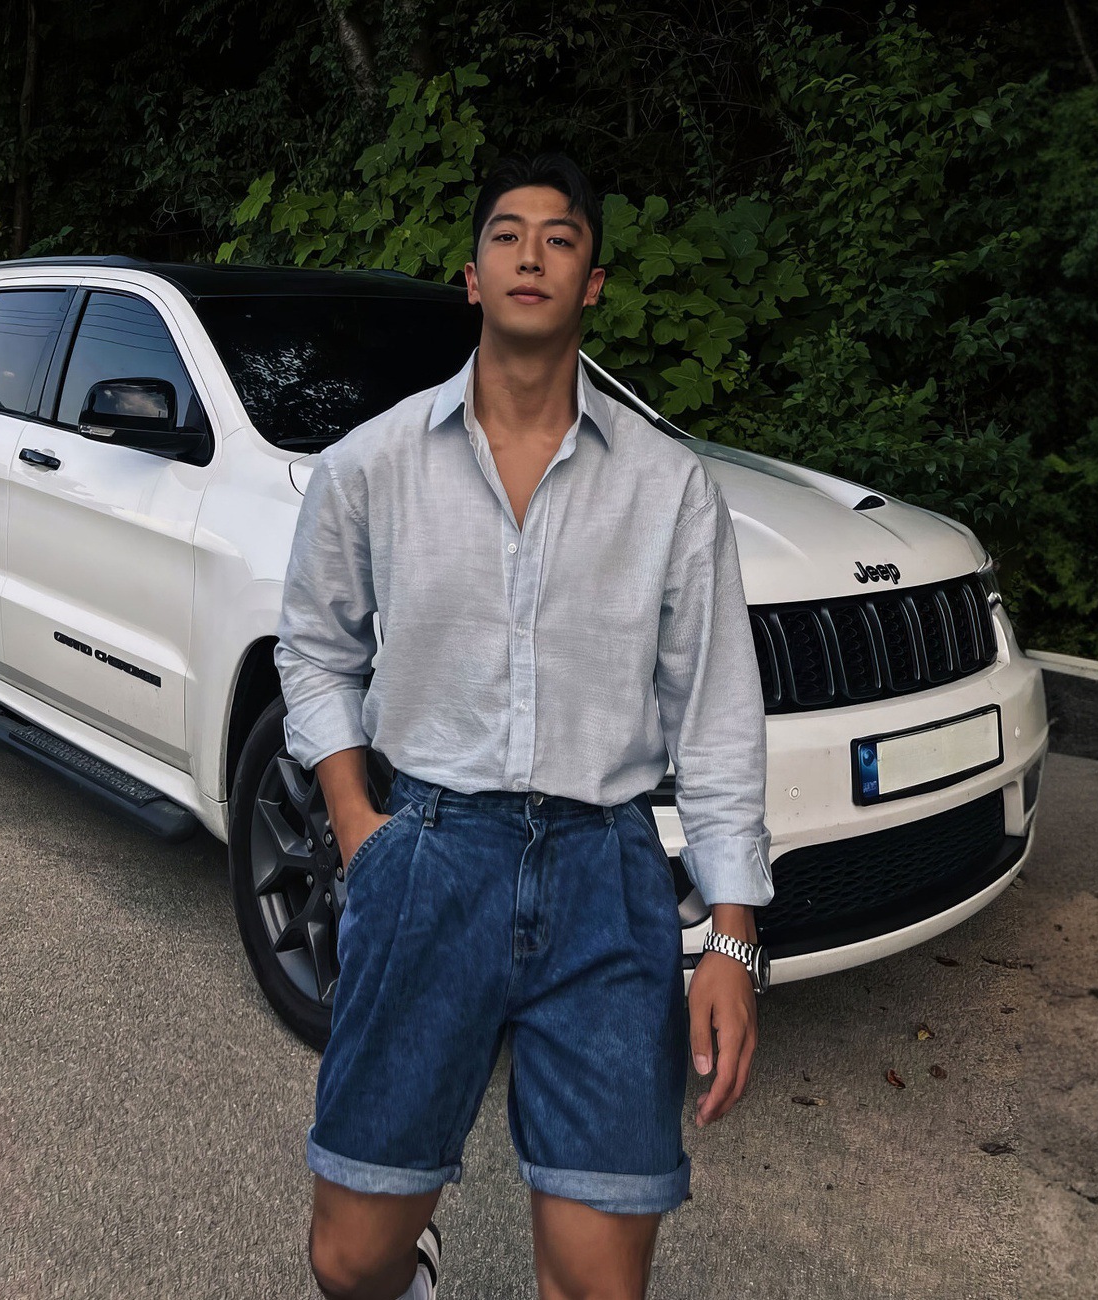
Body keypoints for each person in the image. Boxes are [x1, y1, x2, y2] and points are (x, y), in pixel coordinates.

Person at [274, 152, 773, 1300]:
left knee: (599, 1283)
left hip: (607, 881)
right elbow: (314, 648)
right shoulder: (372, 466)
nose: (531, 254)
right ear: (472, 276)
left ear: (591, 282)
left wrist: (731, 938)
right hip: (428, 857)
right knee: (349, 1260)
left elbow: (716, 713)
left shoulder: (667, 486)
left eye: (560, 236)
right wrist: (357, 823)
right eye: (506, 234)